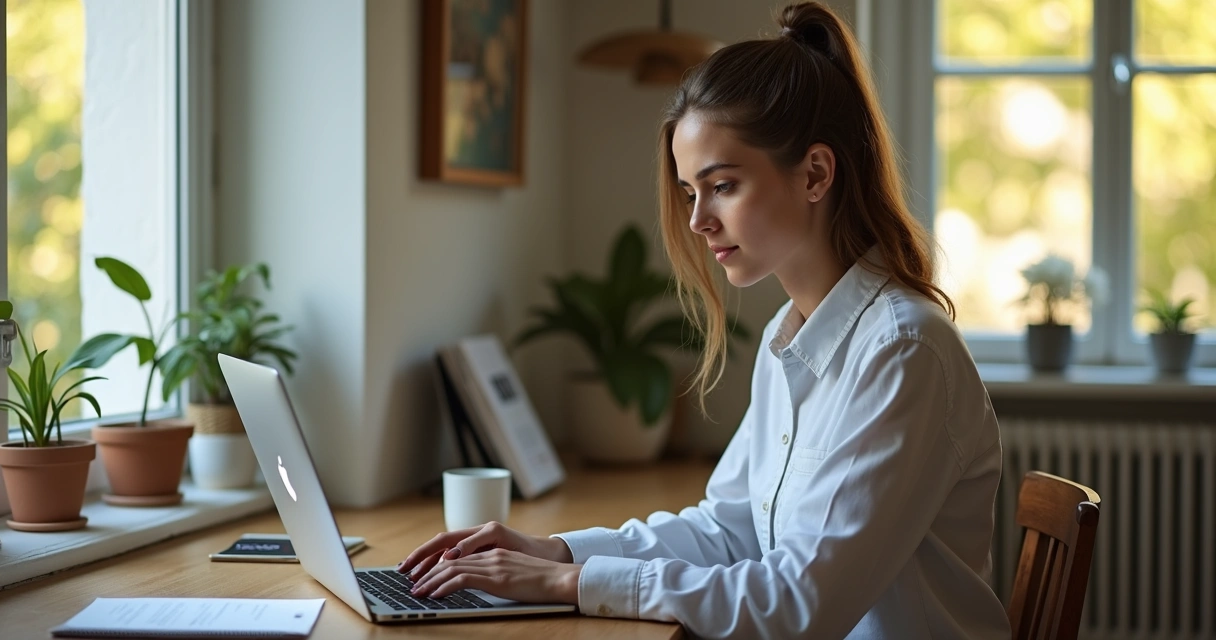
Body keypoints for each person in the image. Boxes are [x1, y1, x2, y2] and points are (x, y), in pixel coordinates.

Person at [398, 2, 1010, 638]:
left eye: (722, 186)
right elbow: (728, 529)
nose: (698, 221)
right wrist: (556, 551)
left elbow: (801, 603)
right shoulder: (792, 338)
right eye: (691, 192)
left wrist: (571, 585)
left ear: (815, 174)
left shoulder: (902, 350)